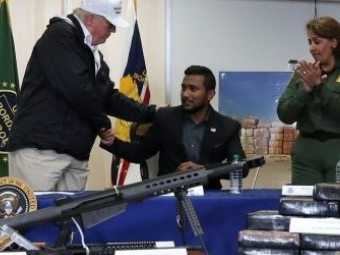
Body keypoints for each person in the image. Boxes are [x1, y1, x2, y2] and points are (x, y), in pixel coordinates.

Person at [4, 0, 154, 191]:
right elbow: (75, 87)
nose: (113, 31)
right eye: (110, 24)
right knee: (34, 217)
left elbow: (107, 97)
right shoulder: (59, 36)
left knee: (70, 220)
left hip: (75, 154)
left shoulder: (92, 53)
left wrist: (150, 113)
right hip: (40, 152)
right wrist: (102, 124)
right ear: (90, 18)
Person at [99, 65, 245, 190]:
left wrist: (203, 170)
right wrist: (110, 141)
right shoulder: (165, 118)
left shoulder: (227, 126)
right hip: (169, 195)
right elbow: (139, 153)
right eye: (183, 88)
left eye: (193, 89)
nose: (186, 94)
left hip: (209, 198)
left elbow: (240, 167)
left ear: (210, 94)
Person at [276, 16, 340, 185]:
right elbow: (284, 114)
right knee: (305, 207)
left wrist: (319, 87)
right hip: (307, 152)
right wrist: (305, 91)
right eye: (309, 42)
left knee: (339, 206)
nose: (311, 48)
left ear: (333, 42)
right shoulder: (303, 74)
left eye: (317, 42)